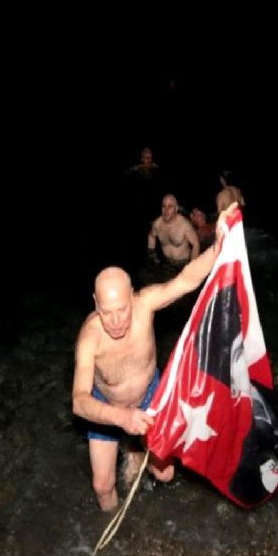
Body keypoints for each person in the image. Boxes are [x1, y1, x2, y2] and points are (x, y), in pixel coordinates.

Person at [73, 203, 238, 511]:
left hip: (149, 395)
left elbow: (186, 280)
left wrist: (219, 244)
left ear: (132, 296)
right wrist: (122, 418)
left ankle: (136, 449)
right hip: (108, 407)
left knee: (165, 474)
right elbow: (79, 402)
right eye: (106, 312)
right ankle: (114, 542)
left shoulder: (145, 304)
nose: (116, 321)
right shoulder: (90, 336)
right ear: (96, 304)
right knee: (103, 485)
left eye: (122, 309)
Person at [148, 194, 200, 267]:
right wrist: (151, 254)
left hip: (182, 264)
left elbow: (196, 243)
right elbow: (151, 236)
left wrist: (191, 266)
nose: (166, 210)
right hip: (166, 262)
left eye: (170, 206)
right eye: (164, 206)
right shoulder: (157, 224)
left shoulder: (184, 224)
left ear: (176, 209)